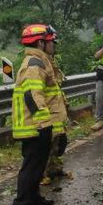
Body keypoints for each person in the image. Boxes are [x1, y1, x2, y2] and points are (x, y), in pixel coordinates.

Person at [10, 24, 60, 205]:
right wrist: (44, 123)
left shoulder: (40, 61)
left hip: (37, 123)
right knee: (31, 166)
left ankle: (33, 197)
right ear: (41, 42)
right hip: (36, 125)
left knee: (38, 165)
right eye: (51, 42)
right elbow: (32, 95)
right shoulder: (34, 64)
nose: (53, 45)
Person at [42, 50, 70, 185]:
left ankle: (56, 169)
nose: (54, 45)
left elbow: (57, 83)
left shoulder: (50, 60)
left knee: (59, 143)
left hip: (57, 110)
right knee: (48, 145)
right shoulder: (40, 62)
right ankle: (45, 174)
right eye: (51, 42)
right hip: (48, 111)